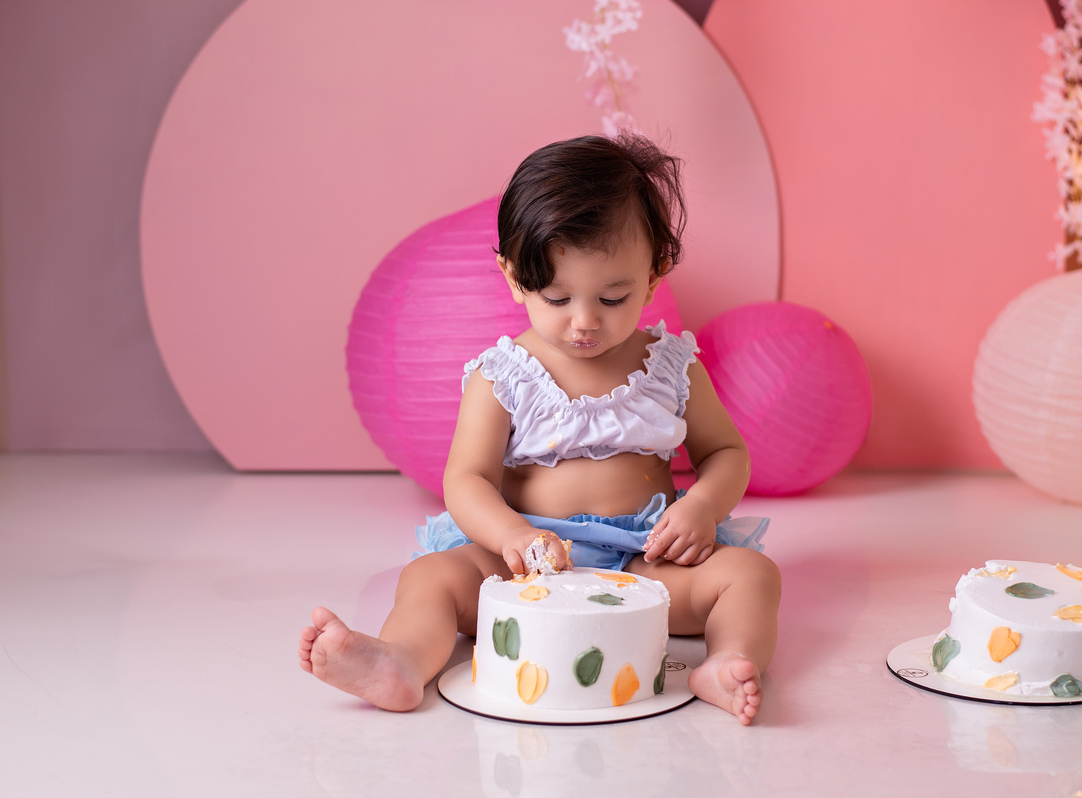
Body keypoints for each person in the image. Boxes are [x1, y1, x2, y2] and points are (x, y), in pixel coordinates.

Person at [299, 134, 781, 725]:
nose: (585, 321)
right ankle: (400, 661)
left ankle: (727, 663)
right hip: (523, 564)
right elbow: (467, 479)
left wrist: (702, 506)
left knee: (750, 576)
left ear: (654, 275)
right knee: (431, 578)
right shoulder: (504, 376)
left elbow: (726, 451)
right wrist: (511, 534)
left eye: (613, 297)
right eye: (557, 297)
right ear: (514, 277)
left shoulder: (670, 365)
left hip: (645, 561)